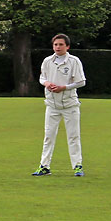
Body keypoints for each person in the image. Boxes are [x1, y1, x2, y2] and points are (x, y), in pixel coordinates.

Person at [32, 33, 86, 177]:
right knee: (48, 136)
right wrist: (47, 83)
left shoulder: (74, 61)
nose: (58, 47)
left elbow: (81, 82)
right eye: (55, 44)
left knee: (73, 136)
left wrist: (64, 87)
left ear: (67, 46)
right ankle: (44, 166)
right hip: (52, 105)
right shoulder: (47, 61)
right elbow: (42, 77)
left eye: (61, 44)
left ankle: (77, 166)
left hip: (70, 105)